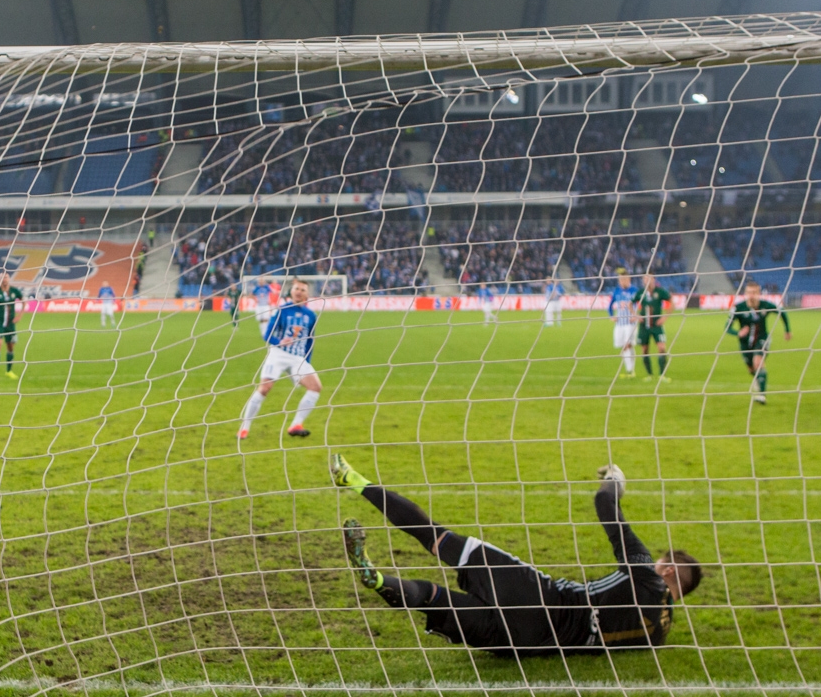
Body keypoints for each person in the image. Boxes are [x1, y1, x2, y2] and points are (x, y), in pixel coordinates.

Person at [329, 454, 702, 655]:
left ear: (667, 570)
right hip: (527, 646)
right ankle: (377, 580)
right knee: (433, 598)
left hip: (541, 598)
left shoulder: (648, 577)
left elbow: (606, 504)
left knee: (437, 538)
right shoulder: (659, 634)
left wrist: (614, 478)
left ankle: (353, 480)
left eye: (659, 561)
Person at [239, 278, 320, 440]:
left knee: (315, 387)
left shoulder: (311, 315)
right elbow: (267, 334)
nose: (299, 292)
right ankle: (244, 427)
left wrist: (307, 361)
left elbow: (310, 339)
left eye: (303, 290)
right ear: (291, 291)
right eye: (296, 288)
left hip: (298, 358)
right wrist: (279, 341)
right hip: (278, 354)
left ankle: (296, 424)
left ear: (307, 295)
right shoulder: (282, 310)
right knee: (264, 388)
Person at [726, 282, 790, 405]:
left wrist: (787, 330)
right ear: (745, 293)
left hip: (762, 339)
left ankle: (761, 395)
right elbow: (727, 327)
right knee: (751, 368)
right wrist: (738, 333)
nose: (752, 295)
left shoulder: (765, 305)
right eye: (749, 292)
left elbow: (781, 312)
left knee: (758, 362)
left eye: (755, 292)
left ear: (759, 293)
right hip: (745, 343)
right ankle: (758, 378)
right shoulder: (738, 308)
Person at [0, 271, 25, 381]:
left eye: (6, 277)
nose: (4, 279)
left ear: (9, 279)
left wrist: (19, 316)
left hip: (11, 324)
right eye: (2, 278)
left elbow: (24, 301)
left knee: (10, 347)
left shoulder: (14, 291)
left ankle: (9, 371)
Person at [632, 273, 673, 379]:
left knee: (662, 348)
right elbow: (630, 304)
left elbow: (672, 302)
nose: (647, 281)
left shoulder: (660, 292)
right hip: (643, 326)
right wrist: (636, 315)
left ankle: (662, 375)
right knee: (645, 350)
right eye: (645, 279)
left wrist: (664, 317)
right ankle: (649, 374)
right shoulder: (641, 293)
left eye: (649, 278)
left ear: (653, 279)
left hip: (656, 326)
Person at [606, 270, 636, 376]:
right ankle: (631, 369)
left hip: (630, 323)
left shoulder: (634, 290)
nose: (621, 281)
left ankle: (629, 370)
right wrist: (611, 316)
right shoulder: (617, 291)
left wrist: (636, 315)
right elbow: (610, 305)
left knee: (627, 345)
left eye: (623, 279)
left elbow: (642, 302)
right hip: (619, 323)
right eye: (620, 279)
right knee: (623, 345)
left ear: (628, 280)